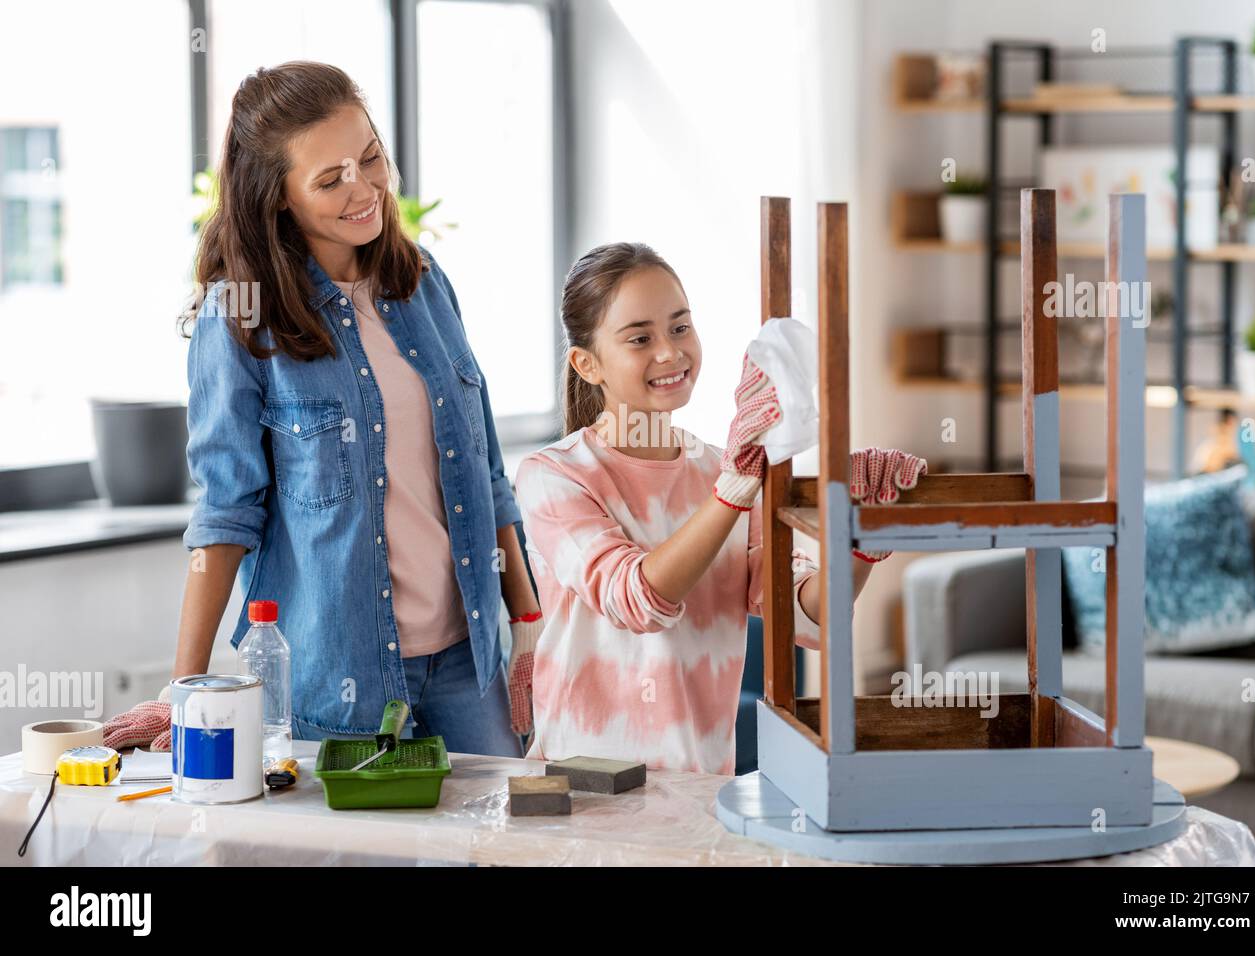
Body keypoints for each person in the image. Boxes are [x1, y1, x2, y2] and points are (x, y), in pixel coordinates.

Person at [103, 61, 541, 758]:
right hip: (339, 675)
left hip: (470, 664)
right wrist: (184, 686)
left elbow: (487, 473)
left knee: (488, 859)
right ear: (277, 197)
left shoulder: (425, 284)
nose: (364, 189)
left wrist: (528, 628)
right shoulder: (241, 320)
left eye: (370, 159)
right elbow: (225, 515)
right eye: (330, 179)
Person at [514, 242, 926, 774]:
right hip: (585, 785)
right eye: (640, 338)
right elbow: (637, 598)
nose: (670, 352)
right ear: (587, 363)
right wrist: (733, 490)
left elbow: (804, 617)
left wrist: (864, 535)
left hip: (701, 787)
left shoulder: (718, 469)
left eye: (680, 327)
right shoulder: (554, 475)